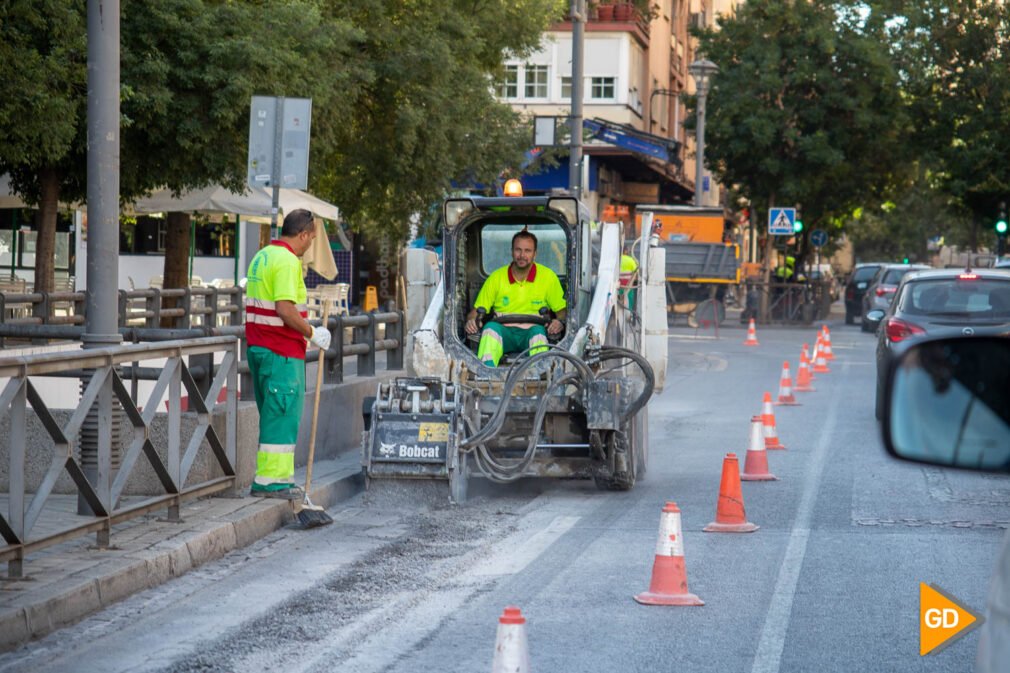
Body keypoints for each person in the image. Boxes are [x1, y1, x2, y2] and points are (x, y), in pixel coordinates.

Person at [244, 209, 332, 499]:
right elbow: (284, 309)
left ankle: (268, 479)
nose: (310, 245)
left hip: (260, 348)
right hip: (281, 351)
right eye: (312, 239)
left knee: (271, 416)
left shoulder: (263, 256)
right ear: (303, 234)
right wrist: (311, 332)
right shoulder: (286, 261)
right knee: (282, 417)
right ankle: (273, 483)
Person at [465, 229, 566, 367]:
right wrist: (471, 321)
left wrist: (558, 322)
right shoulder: (496, 278)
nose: (522, 255)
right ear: (512, 251)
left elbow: (562, 314)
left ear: (535, 254)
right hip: (503, 332)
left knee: (538, 334)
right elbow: (475, 313)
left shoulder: (548, 277)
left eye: (527, 251)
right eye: (518, 250)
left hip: (532, 330)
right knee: (489, 329)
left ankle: (539, 374)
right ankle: (486, 375)